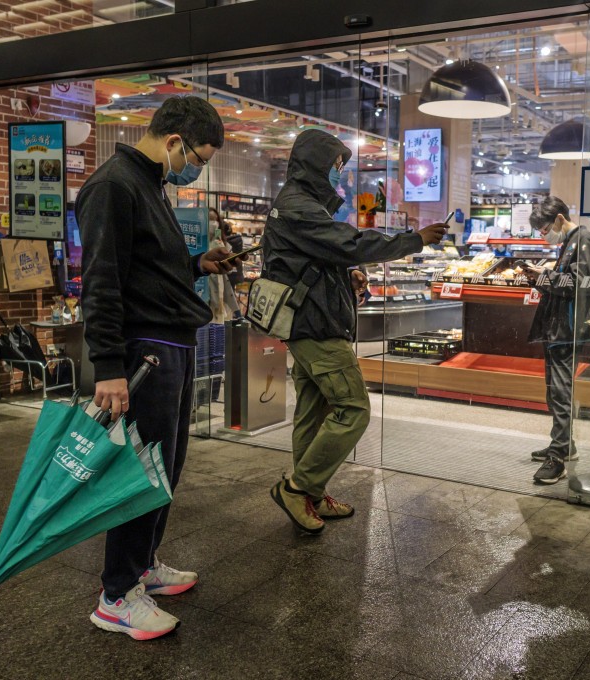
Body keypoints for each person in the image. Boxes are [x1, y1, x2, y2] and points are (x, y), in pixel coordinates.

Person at [77, 95, 239, 640]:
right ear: (174, 142)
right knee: (140, 471)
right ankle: (117, 595)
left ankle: (142, 564)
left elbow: (146, 266)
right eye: (199, 158)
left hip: (170, 343)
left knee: (164, 468)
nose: (198, 169)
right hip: (143, 350)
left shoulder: (150, 185)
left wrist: (196, 265)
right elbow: (101, 281)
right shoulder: (113, 186)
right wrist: (108, 366)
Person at [262, 128, 449, 534]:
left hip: (308, 321)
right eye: (335, 165)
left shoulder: (302, 204)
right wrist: (413, 240)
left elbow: (317, 258)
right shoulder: (299, 207)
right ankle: (298, 488)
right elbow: (350, 243)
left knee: (313, 411)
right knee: (354, 409)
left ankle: (310, 495)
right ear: (315, 164)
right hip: (316, 326)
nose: (340, 173)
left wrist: (344, 278)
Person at [525, 196, 590, 485]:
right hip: (558, 328)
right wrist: (542, 276)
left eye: (545, 229)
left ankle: (558, 455)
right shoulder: (571, 242)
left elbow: (581, 284)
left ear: (560, 218)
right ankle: (564, 444)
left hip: (568, 329)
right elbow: (569, 282)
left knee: (560, 392)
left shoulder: (584, 240)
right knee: (555, 391)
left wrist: (545, 276)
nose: (544, 235)